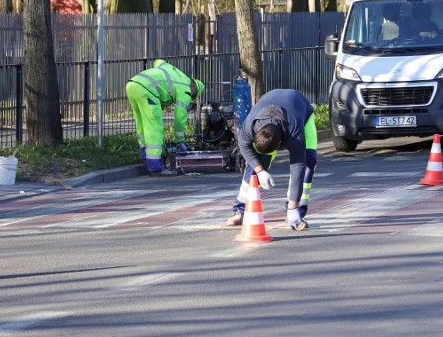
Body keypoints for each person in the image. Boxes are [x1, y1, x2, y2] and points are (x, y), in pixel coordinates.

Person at [226, 89, 317, 231]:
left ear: (281, 142)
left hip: (301, 111)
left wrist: (292, 207)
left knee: (309, 163)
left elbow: (297, 165)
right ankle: (240, 210)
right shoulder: (250, 125)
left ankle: (296, 213)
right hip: (269, 105)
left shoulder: (294, 131)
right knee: (256, 162)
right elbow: (243, 146)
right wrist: (259, 169)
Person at [126, 59, 204, 176]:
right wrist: (180, 140)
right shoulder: (186, 91)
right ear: (194, 89)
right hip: (149, 90)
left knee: (141, 123)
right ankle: (155, 168)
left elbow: (158, 62)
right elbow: (179, 118)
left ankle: (144, 157)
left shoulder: (176, 72)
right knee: (154, 127)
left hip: (133, 84)